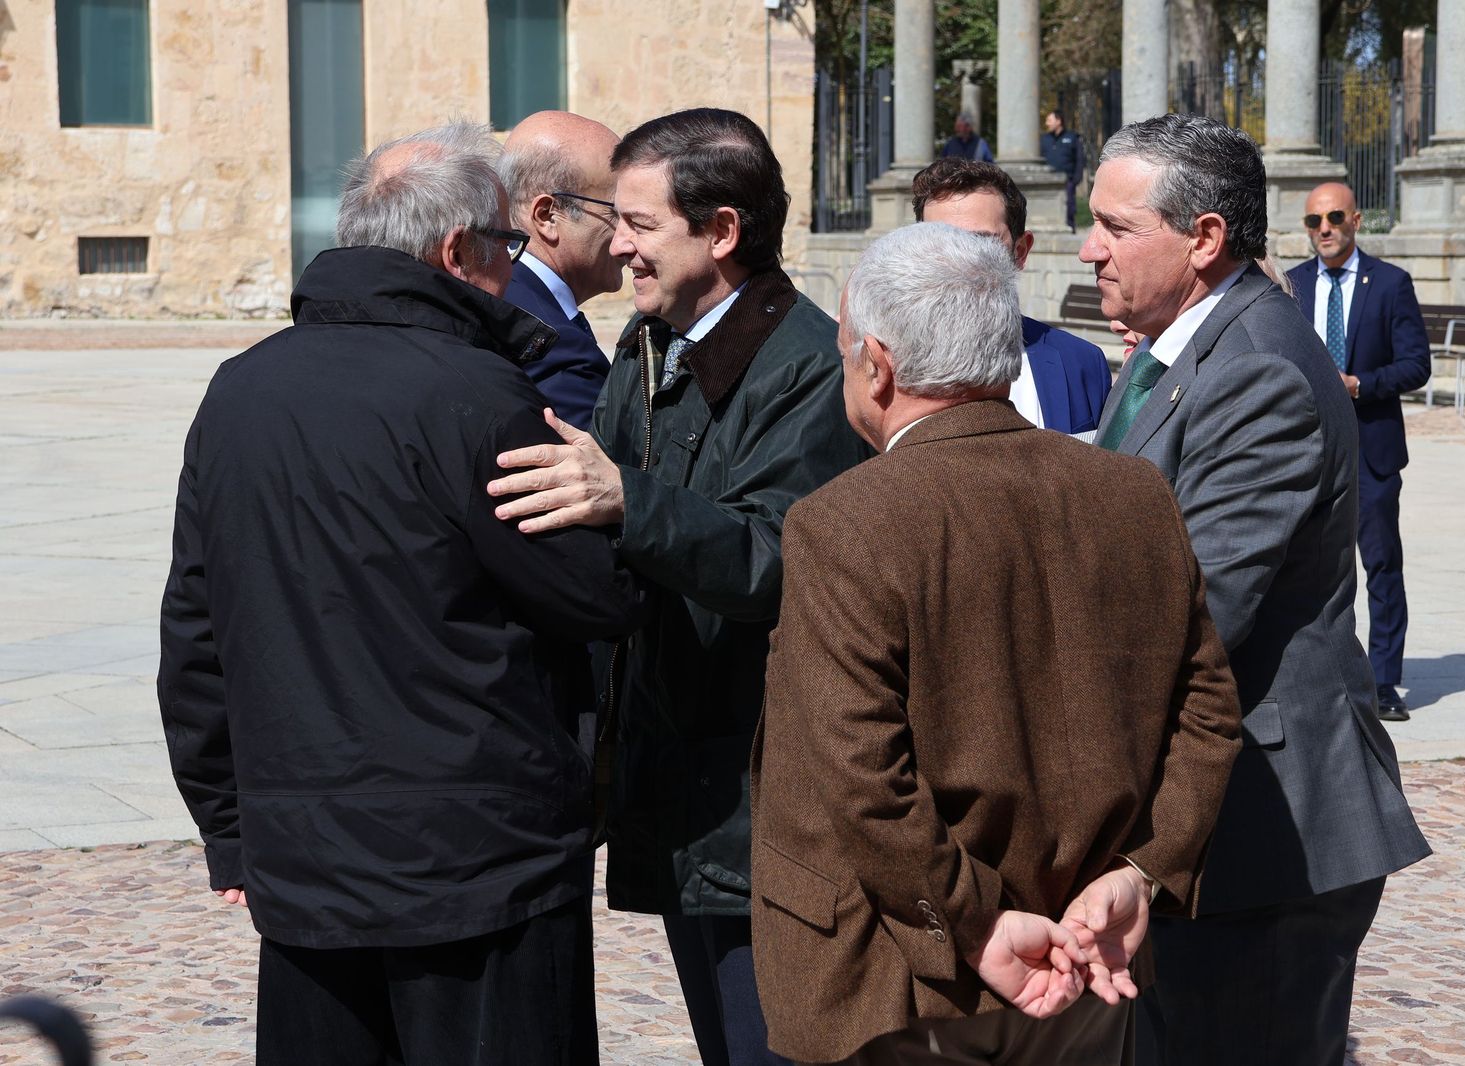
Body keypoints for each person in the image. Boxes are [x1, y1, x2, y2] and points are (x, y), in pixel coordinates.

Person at [157, 121, 641, 1065]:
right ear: (458, 252)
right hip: (479, 869)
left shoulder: (238, 390)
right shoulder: (477, 393)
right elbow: (595, 598)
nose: (513, 267)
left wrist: (230, 830)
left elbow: (194, 633)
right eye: (506, 246)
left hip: (305, 862)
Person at [750, 221, 1244, 1066]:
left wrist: (974, 920)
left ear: (879, 363)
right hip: (1085, 955)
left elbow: (862, 777)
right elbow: (1209, 716)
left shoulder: (844, 523)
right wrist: (1142, 872)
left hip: (906, 980)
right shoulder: (1131, 491)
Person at [485, 107, 872, 1066]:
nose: (617, 249)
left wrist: (627, 500)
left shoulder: (806, 370)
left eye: (640, 225)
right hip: (678, 789)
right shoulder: (649, 344)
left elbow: (779, 561)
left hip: (761, 802)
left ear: (724, 232)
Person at [1081, 114, 1431, 1066]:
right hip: (1212, 827)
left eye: (1116, 227)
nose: (1090, 248)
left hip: (1267, 830)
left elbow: (1189, 614)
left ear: (1203, 239)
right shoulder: (1173, 348)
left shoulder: (1257, 368)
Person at [1287, 182, 1431, 723]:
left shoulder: (1390, 284)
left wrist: (1359, 385)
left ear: (1356, 220)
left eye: (1333, 216)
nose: (1323, 228)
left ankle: (1386, 680)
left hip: (1371, 449)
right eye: (1312, 221)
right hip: (1305, 448)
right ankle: (1317, 676)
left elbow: (1417, 365)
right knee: (1307, 567)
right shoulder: (1292, 285)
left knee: (1381, 563)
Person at [911, 158, 1112, 436]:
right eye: (938, 243)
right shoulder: (881, 370)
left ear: (1020, 251)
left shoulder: (1080, 364)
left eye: (979, 242)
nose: (956, 261)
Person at [499, 110, 624, 429]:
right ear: (548, 216)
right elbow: (600, 471)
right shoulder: (552, 345)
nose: (629, 236)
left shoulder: (503, 293)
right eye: (618, 213)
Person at [1040, 111, 1085, 231]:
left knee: (1069, 210)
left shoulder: (1072, 137)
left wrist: (1076, 179)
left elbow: (1080, 159)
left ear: (1058, 121)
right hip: (1046, 183)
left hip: (1067, 183)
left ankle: (1070, 233)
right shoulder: (1044, 139)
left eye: (1049, 120)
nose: (1047, 123)